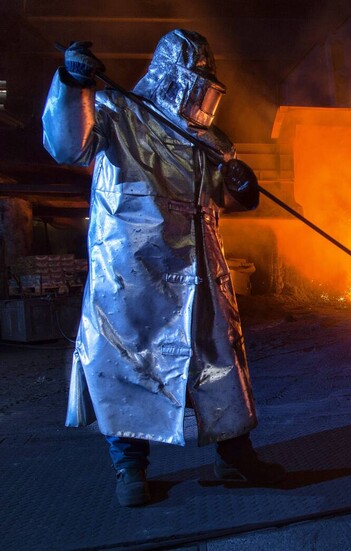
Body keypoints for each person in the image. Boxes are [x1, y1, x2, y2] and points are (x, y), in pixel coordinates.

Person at [42, 29, 283, 507]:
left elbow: (221, 198)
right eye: (198, 86)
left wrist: (241, 188)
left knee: (217, 360)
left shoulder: (208, 141)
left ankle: (234, 457)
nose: (203, 99)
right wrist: (74, 84)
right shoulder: (117, 113)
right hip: (131, 271)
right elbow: (67, 146)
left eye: (209, 89)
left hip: (199, 272)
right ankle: (130, 467)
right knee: (126, 363)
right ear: (173, 78)